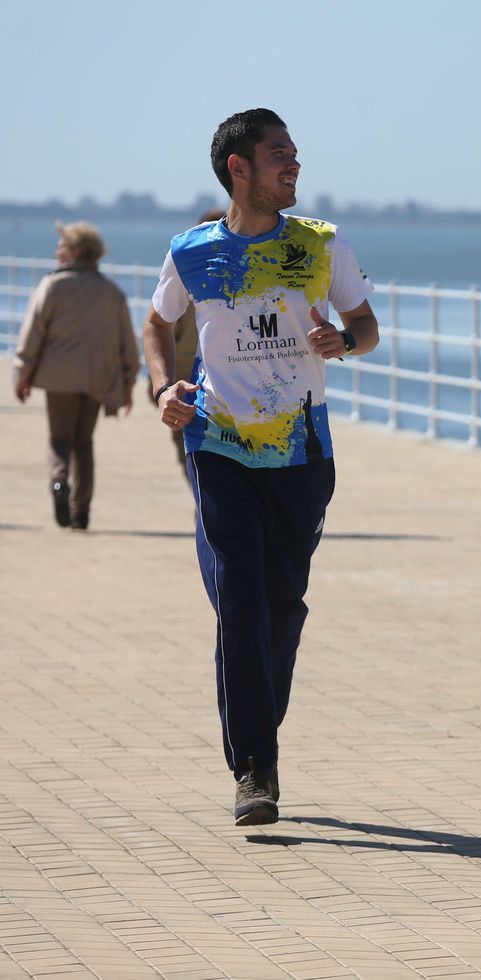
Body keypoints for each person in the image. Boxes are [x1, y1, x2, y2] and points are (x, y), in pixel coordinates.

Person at [142, 109, 380, 827]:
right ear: (238, 169)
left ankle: (256, 736)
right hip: (219, 447)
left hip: (302, 455)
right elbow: (157, 323)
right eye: (280, 156)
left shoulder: (322, 245)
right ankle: (255, 767)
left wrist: (344, 341)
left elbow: (366, 325)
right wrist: (163, 387)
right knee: (241, 602)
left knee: (281, 607)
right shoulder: (191, 251)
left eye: (296, 155)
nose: (294, 166)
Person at [11, 221, 139, 531]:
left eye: (62, 247)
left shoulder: (52, 285)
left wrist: (22, 373)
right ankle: (80, 513)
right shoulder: (112, 292)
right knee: (83, 443)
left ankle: (58, 483)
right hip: (97, 378)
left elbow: (33, 334)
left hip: (59, 377)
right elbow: (128, 342)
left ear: (76, 251)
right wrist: (128, 383)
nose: (57, 252)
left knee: (59, 439)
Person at [150, 208, 228, 486]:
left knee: (188, 447)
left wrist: (159, 386)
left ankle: (203, 496)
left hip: (184, 383)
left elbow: (162, 329)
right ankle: (207, 497)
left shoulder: (188, 276)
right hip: (214, 386)